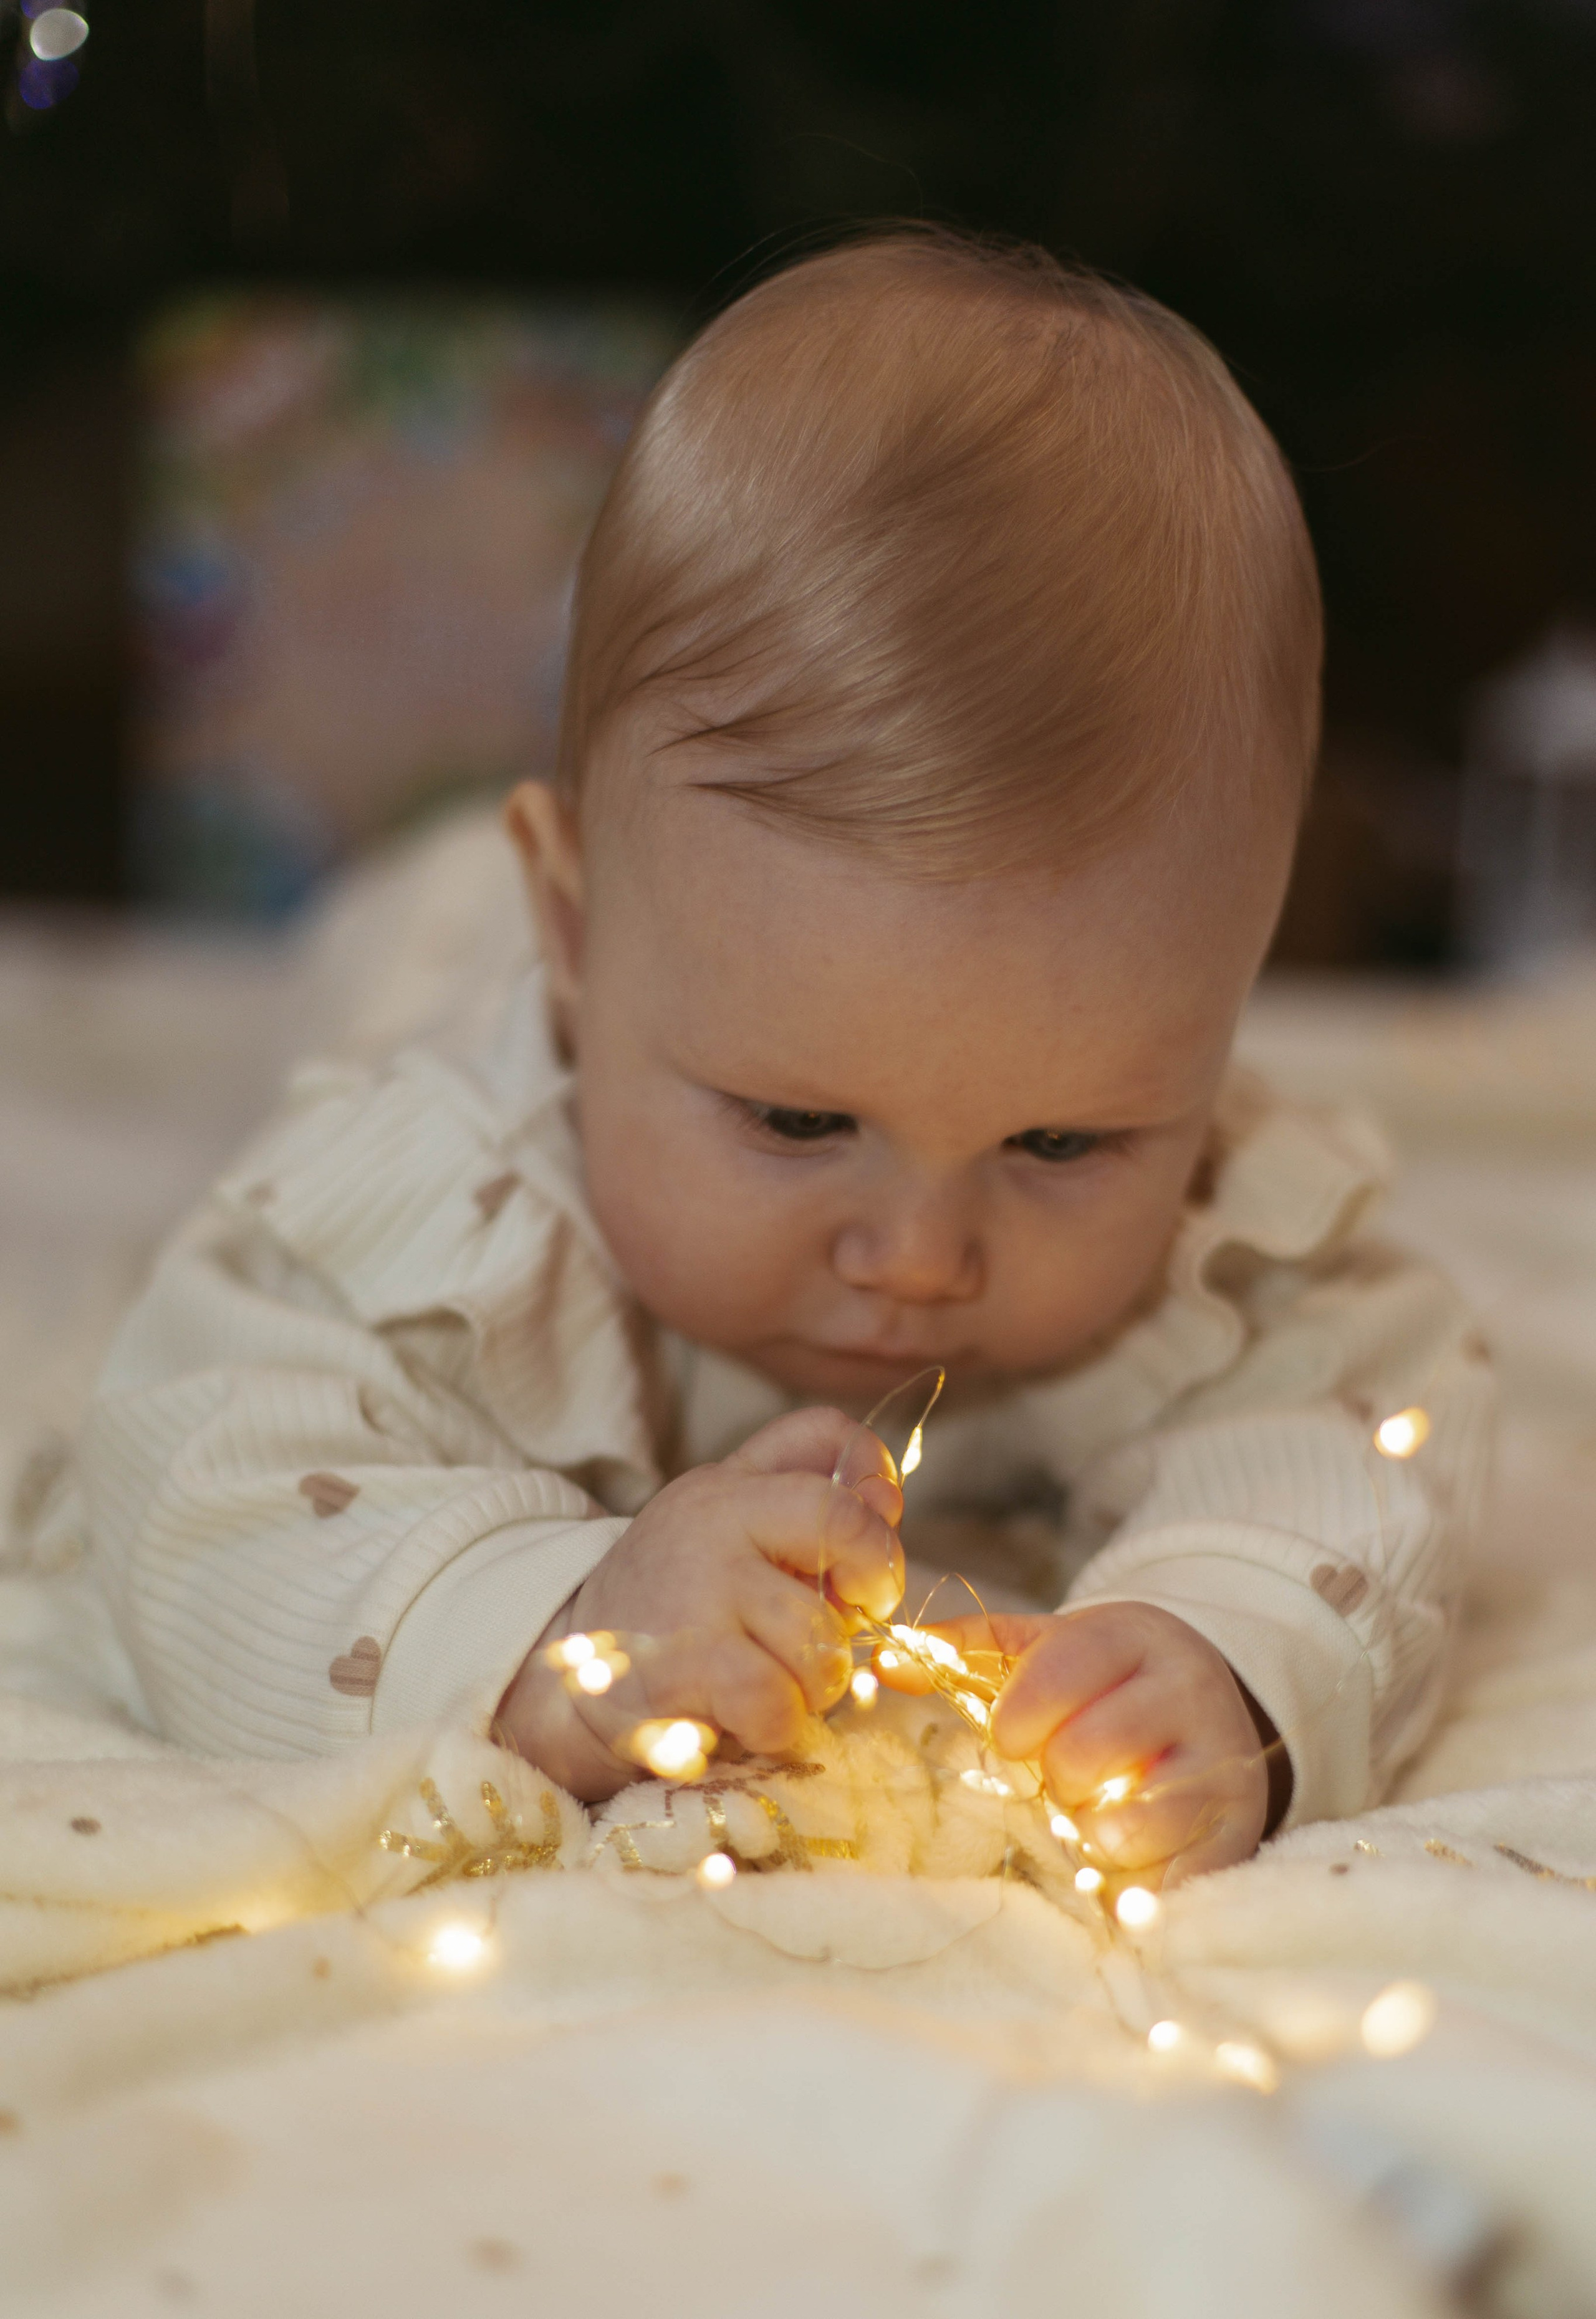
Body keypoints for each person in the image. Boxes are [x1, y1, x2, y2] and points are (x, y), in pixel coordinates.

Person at [63, 232, 1492, 1881]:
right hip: (429, 957)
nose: (918, 1259)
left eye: (1062, 1144)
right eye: (801, 1117)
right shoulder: (442, 1206)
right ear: (580, 937)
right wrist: (558, 1634)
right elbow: (197, 1482)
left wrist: (1231, 1653)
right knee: (385, 960)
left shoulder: (1222, 1227)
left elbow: (1376, 1423)